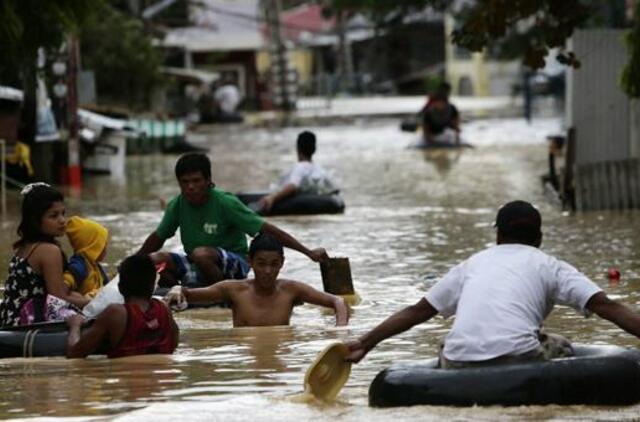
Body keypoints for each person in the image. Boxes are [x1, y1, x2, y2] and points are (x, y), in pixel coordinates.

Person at [345, 200, 640, 368]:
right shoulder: (551, 265)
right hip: (519, 359)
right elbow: (607, 306)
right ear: (539, 239)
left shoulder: (471, 264)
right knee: (562, 346)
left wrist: (365, 342)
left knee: (447, 342)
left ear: (497, 237)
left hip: (458, 362)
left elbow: (417, 311)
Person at [136, 152, 329, 288]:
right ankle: (184, 292)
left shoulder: (225, 202)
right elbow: (158, 237)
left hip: (234, 263)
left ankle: (224, 294)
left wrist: (307, 252)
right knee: (154, 260)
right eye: (185, 183)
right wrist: (133, 262)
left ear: (208, 180)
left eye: (196, 181)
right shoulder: (177, 205)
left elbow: (266, 229)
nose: (191, 187)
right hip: (197, 262)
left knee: (201, 254)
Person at [164, 233, 348, 327]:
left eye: (274, 264)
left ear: (282, 263)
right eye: (261, 263)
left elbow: (337, 301)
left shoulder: (291, 290)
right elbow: (189, 294)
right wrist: (176, 289)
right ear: (250, 262)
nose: (268, 271)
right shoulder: (234, 290)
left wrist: (340, 331)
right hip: (246, 356)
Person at [0, 183, 85, 327]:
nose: (62, 221)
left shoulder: (24, 246)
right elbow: (58, 298)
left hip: (9, 316)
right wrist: (94, 302)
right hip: (27, 320)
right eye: (54, 216)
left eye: (63, 213)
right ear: (35, 220)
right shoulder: (49, 251)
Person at [66, 254, 179, 358]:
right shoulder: (164, 309)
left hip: (129, 378)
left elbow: (74, 354)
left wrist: (74, 326)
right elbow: (173, 344)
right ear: (152, 286)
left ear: (120, 287)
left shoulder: (115, 313)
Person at [258, 131, 337, 213]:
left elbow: (292, 186)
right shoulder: (319, 169)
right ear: (314, 149)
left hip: (296, 200)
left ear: (297, 148)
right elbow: (333, 190)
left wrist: (272, 198)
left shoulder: (300, 167)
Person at [63, 216, 110, 301]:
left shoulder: (95, 266)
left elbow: (108, 286)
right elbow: (62, 290)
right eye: (103, 245)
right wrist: (82, 300)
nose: (106, 248)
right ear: (92, 246)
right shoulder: (79, 266)